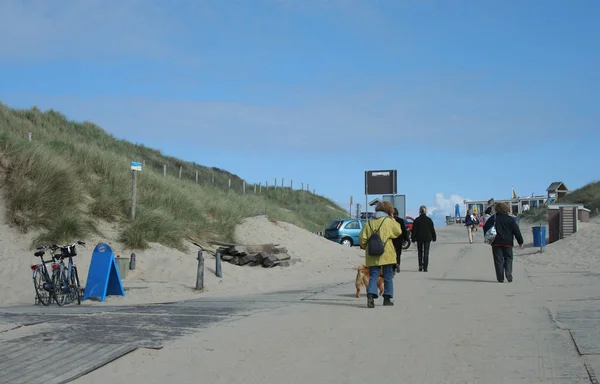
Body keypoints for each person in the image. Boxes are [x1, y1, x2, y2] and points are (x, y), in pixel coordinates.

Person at [359, 201, 402, 308]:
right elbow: (398, 231)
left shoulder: (369, 222)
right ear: (388, 211)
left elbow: (362, 239)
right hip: (387, 253)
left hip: (372, 253)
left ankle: (370, 295)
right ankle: (387, 299)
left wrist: (366, 246)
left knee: (373, 275)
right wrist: (392, 218)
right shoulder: (388, 221)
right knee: (387, 276)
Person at [483, 202, 524, 283]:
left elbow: (485, 227)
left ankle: (500, 278)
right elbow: (516, 231)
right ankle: (508, 275)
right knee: (508, 258)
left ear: (496, 209)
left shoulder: (493, 218)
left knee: (498, 260)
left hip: (496, 242)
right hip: (508, 243)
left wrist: (488, 236)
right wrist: (520, 241)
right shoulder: (510, 219)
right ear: (506, 209)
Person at [410, 205, 437, 272]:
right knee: (426, 252)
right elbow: (432, 229)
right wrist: (434, 237)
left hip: (419, 238)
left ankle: (420, 266)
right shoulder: (429, 220)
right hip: (427, 238)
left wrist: (413, 238)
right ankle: (425, 267)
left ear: (419, 211)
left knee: (420, 252)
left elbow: (414, 230)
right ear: (426, 211)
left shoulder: (417, 220)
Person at [391, 207, 409, 273]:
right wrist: (406, 239)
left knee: (392, 253)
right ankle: (398, 263)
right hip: (399, 239)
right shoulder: (401, 220)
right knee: (398, 253)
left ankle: (393, 267)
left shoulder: (389, 220)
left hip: (392, 239)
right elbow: (404, 230)